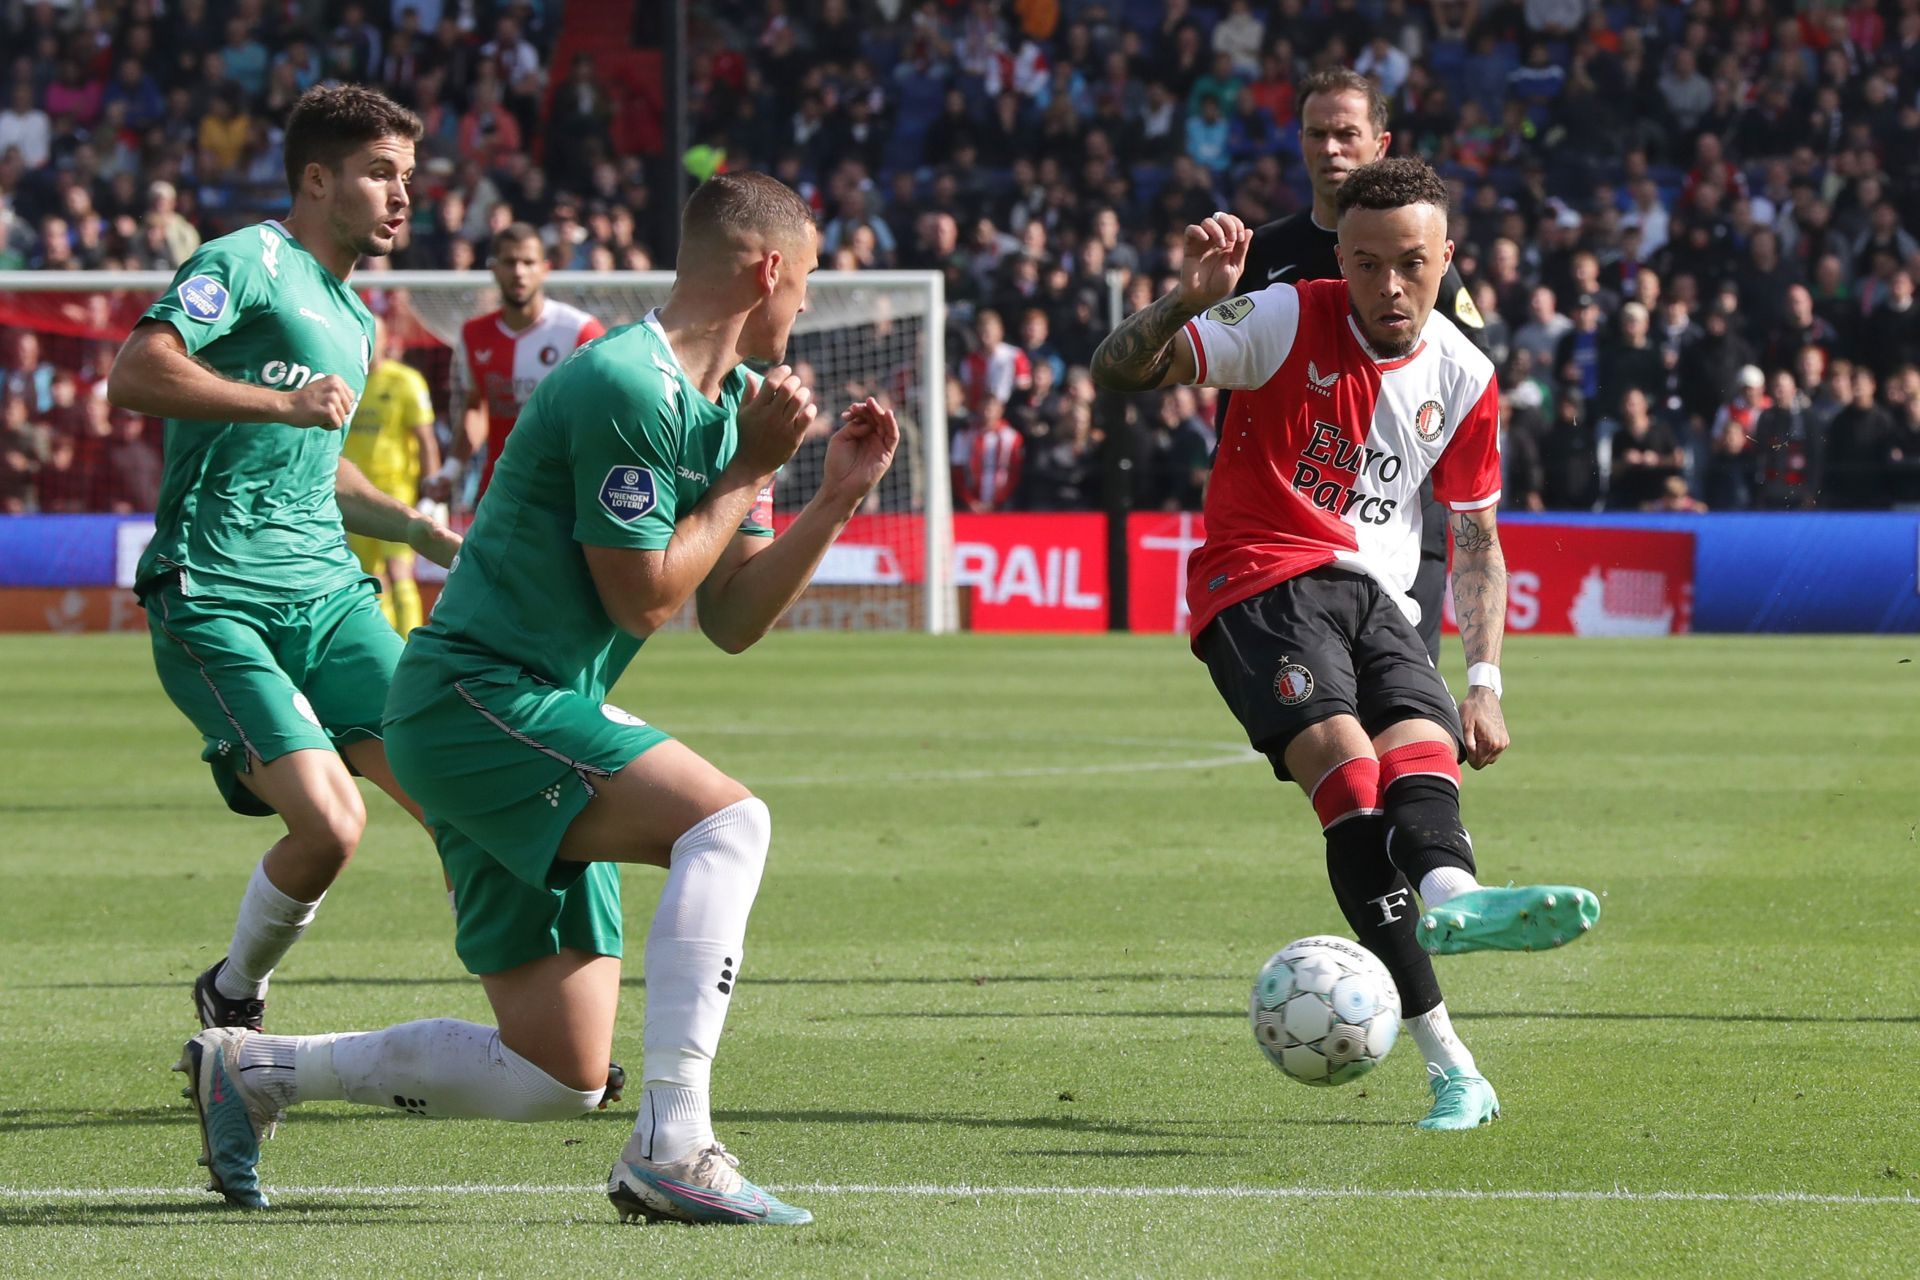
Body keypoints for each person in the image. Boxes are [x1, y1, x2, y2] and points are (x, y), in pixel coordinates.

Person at [173, 172, 900, 1225]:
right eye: (812, 279)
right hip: (478, 698)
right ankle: (677, 1142)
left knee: (557, 1070)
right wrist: (747, 472)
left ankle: (256, 1068)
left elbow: (733, 617)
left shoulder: (747, 409)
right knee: (731, 822)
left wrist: (829, 497)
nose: (809, 304)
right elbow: (643, 599)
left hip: (509, 719)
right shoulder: (630, 385)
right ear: (769, 269)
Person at [1090, 158, 1599, 1130]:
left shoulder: (1465, 372)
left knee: (1426, 736)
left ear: (1448, 259)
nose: (1389, 286)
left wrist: (1485, 679)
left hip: (1376, 593)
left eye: (1412, 263)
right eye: (1367, 264)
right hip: (1257, 581)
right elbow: (1119, 372)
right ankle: (1449, 1056)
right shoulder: (1287, 316)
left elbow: (1478, 539)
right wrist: (1180, 305)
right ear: (1343, 259)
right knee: (1353, 780)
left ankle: (1458, 897)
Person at [106, 85, 460, 1035]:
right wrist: (281, 404)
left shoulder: (353, 314)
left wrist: (419, 532)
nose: (401, 197)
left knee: (460, 799)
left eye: (407, 178)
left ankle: (547, 1034)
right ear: (316, 178)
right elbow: (136, 371)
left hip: (331, 595)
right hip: (216, 586)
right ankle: (234, 995)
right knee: (333, 825)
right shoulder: (247, 260)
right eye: (380, 174)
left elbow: (318, 460)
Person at [1220, 68, 1489, 666]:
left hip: (1397, 514)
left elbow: (1468, 374)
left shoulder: (1419, 261)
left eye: (1346, 133)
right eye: (1317, 134)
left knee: (1401, 703)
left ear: (1380, 145)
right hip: (1287, 520)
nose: (1331, 149)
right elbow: (1225, 377)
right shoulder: (1263, 252)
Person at [430, 222, 604, 507]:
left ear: (545, 268)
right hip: (498, 492)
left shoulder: (580, 330)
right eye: (510, 262)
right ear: (494, 269)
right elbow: (476, 406)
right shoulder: (473, 335)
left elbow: (603, 414)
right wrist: (451, 470)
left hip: (564, 495)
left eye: (528, 262)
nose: (519, 272)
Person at [341, 313, 439, 634]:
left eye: (374, 335)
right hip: (354, 493)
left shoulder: (405, 381)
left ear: (386, 341)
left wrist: (433, 490)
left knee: (399, 572)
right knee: (367, 576)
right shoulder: (344, 379)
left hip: (396, 490)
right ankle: (383, 641)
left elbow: (425, 439)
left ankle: (410, 642)